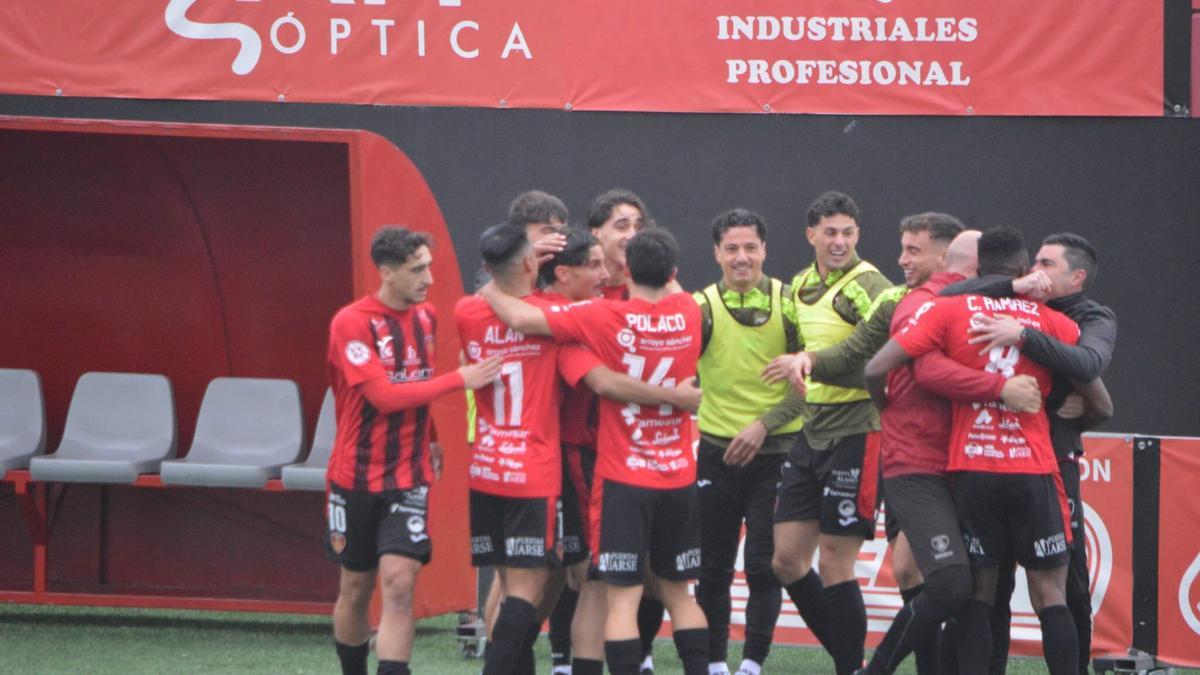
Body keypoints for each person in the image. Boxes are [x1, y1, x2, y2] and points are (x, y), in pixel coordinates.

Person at [864, 226, 1113, 675]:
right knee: (1051, 595)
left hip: (972, 471)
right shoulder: (1052, 321)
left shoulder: (950, 310)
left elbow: (880, 366)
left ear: (980, 269)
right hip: (1034, 470)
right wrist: (1066, 413)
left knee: (980, 596)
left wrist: (889, 410)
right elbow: (1101, 400)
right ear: (1021, 269)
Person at [480, 228, 711, 675]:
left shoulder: (602, 316)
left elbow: (524, 322)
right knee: (679, 593)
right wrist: (675, 399)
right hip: (679, 475)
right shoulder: (688, 309)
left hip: (622, 478)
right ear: (674, 273)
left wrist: (493, 279)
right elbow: (673, 290)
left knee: (616, 597)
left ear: (626, 271)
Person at [325, 226, 502, 675]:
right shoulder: (352, 323)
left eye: (430, 266)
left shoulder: (425, 318)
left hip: (409, 475)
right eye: (417, 269)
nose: (429, 279)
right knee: (356, 589)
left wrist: (432, 439)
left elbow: (418, 383)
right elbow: (383, 397)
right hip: (355, 477)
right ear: (386, 272)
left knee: (400, 585)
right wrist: (462, 379)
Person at [955, 233, 1117, 675]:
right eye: (1033, 262)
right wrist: (1012, 295)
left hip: (1052, 461)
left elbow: (1090, 372)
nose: (1034, 272)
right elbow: (952, 297)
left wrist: (1024, 335)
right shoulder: (1015, 298)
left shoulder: (1090, 317)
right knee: (992, 583)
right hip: (994, 460)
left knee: (1068, 586)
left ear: (1077, 277)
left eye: (1047, 264)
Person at [764, 191, 892, 674]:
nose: (839, 242)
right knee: (787, 561)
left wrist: (814, 367)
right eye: (830, 232)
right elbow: (802, 363)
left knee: (836, 562)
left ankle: (847, 669)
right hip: (811, 432)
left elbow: (881, 366)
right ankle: (852, 661)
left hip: (858, 430)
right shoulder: (798, 285)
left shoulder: (869, 284)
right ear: (810, 235)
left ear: (857, 235)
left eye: (848, 233)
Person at [691, 209, 803, 675]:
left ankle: (753, 664)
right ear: (716, 253)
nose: (741, 257)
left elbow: (812, 389)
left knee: (763, 565)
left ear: (765, 250)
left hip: (776, 455)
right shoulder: (698, 307)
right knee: (712, 567)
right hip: (716, 456)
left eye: (750, 247)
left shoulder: (790, 301)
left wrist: (762, 426)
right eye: (731, 248)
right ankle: (716, 663)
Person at [585, 188, 665, 674]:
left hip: (643, 453)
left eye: (637, 224)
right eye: (620, 224)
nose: (630, 234)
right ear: (595, 233)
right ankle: (564, 660)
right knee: (574, 572)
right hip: (580, 446)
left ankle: (641, 654)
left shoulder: (660, 285)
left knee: (651, 570)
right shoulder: (581, 287)